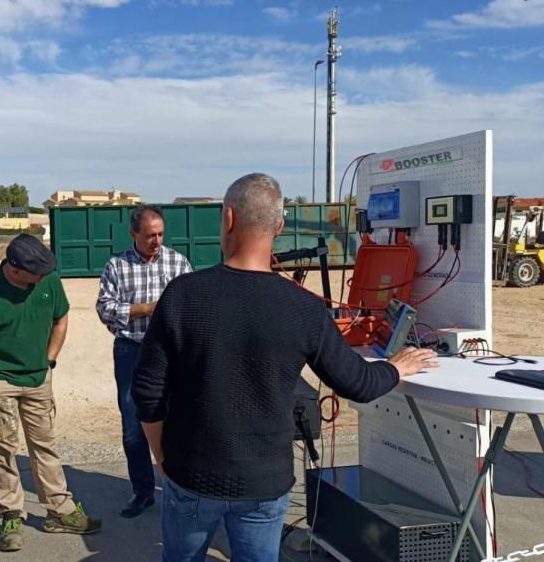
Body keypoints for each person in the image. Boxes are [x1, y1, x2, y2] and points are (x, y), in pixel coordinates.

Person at [132, 173, 438, 561]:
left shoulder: (182, 294)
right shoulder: (305, 308)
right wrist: (396, 367)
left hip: (190, 474)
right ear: (278, 226)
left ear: (227, 219)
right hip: (264, 483)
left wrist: (163, 458)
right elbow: (357, 383)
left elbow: (146, 391)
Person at [0, 234, 102, 552]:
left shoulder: (49, 282)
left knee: (45, 447)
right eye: (37, 274)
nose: (43, 279)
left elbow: (61, 318)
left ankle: (59, 511)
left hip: (38, 381)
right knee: (4, 451)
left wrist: (49, 359)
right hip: (1, 383)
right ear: (15, 269)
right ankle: (10, 515)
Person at [96, 206, 191, 518]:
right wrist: (147, 309)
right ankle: (143, 491)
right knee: (133, 425)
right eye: (150, 235)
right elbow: (105, 309)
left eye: (161, 234)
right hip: (132, 351)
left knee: (179, 418)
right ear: (133, 234)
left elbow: (192, 305)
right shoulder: (117, 266)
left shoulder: (178, 262)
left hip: (172, 353)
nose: (156, 241)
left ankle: (181, 488)